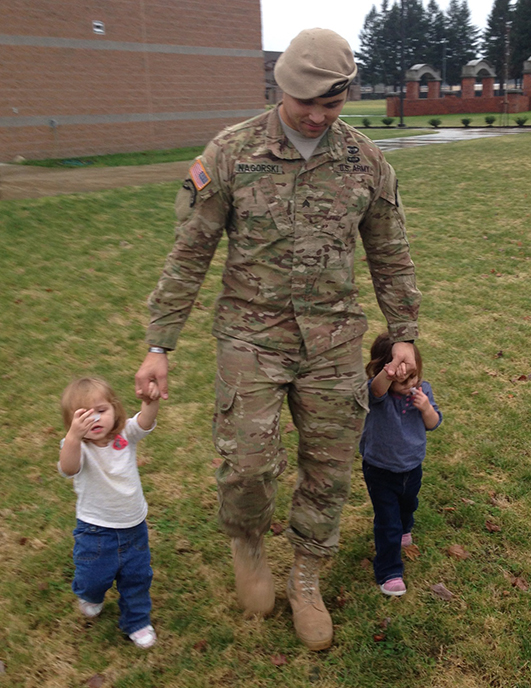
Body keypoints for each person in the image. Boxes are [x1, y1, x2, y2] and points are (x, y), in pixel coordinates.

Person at [134, 28, 421, 651]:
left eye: (333, 104)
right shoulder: (232, 152)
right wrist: (160, 343)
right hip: (250, 336)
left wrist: (403, 335)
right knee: (249, 465)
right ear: (279, 89)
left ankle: (308, 577)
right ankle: (248, 541)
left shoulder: (365, 161)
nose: (317, 117)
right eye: (304, 104)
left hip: (334, 343)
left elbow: (391, 254)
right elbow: (190, 252)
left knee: (330, 467)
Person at [59, 376, 161, 649]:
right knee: (93, 577)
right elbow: (68, 468)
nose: (94, 419)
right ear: (71, 422)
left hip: (134, 528)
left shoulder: (125, 434)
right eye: (84, 416)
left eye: (101, 411)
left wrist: (150, 402)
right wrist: (72, 437)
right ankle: (90, 595)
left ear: (114, 409)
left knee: (137, 579)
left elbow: (145, 422)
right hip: (96, 531)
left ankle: (137, 622)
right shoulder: (77, 447)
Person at [359, 334, 441, 597]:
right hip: (380, 469)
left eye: (414, 376)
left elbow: (433, 423)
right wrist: (390, 371)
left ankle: (406, 527)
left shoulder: (423, 390)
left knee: (408, 504)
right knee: (387, 522)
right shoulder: (378, 393)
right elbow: (377, 388)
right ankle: (390, 571)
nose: (410, 385)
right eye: (402, 380)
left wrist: (426, 408)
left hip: (412, 465)